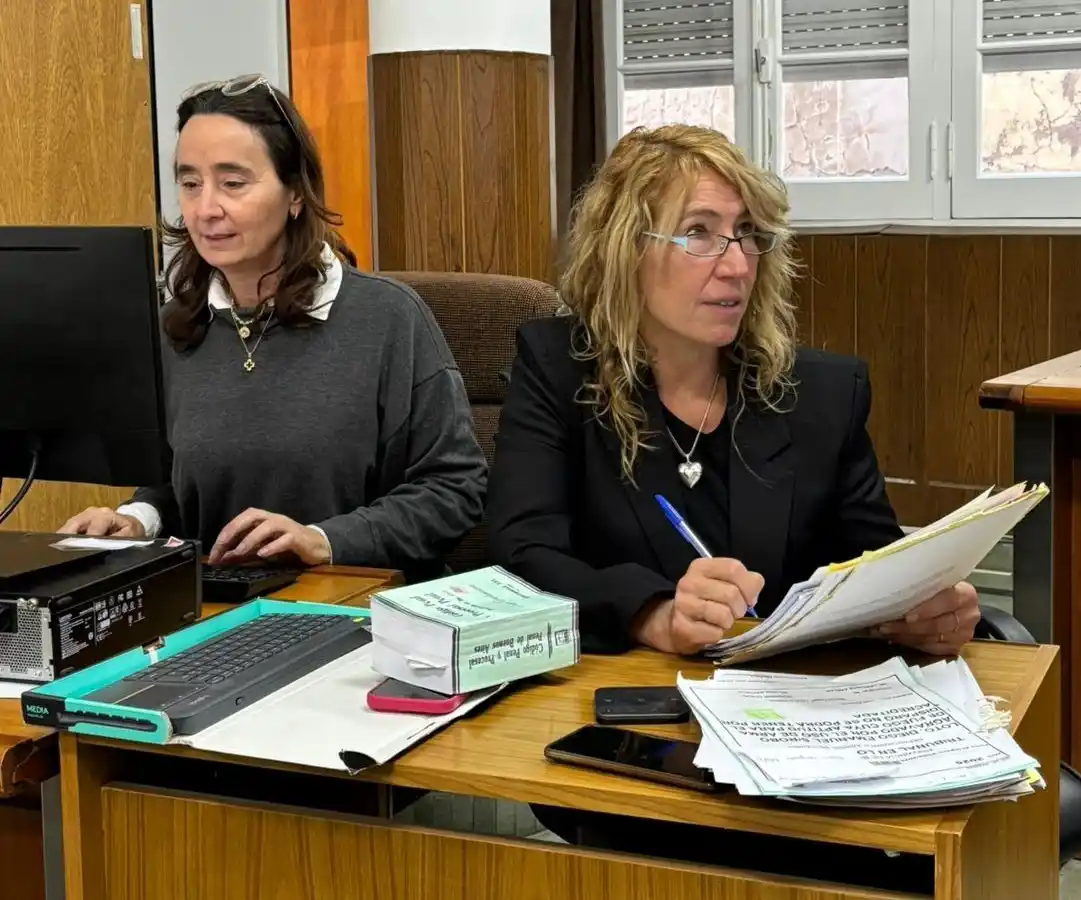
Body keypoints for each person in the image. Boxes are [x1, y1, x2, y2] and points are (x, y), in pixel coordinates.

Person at [485, 124, 980, 890]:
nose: (738, 264)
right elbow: (521, 554)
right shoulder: (557, 372)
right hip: (638, 747)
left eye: (749, 236)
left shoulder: (821, 394)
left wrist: (919, 609)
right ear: (626, 249)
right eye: (700, 235)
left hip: (805, 746)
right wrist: (651, 612)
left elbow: (875, 561)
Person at [59, 75, 486, 578]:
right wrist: (137, 519)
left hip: (362, 608)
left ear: (295, 195)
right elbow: (178, 487)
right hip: (219, 611)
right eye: (190, 183)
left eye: (233, 183)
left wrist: (324, 540)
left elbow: (454, 489)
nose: (206, 208)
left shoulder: (389, 318)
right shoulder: (173, 328)